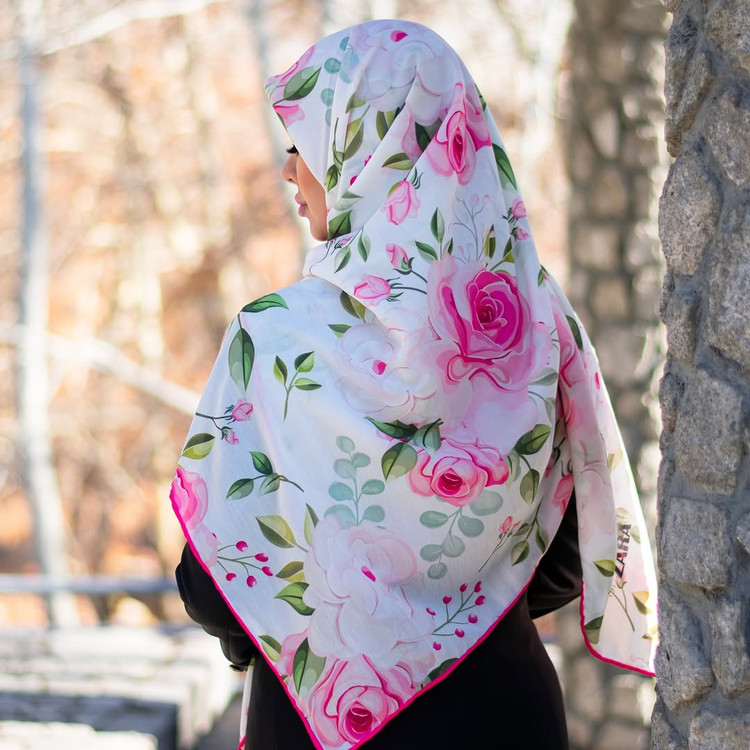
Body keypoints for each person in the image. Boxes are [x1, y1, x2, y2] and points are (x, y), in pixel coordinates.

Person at [170, 19, 657, 750]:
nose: (288, 169)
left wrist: (303, 633)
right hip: (502, 717)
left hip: (317, 725)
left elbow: (212, 585)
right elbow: (569, 552)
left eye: (304, 142)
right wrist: (464, 615)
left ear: (370, 152)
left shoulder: (274, 340)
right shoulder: (534, 320)